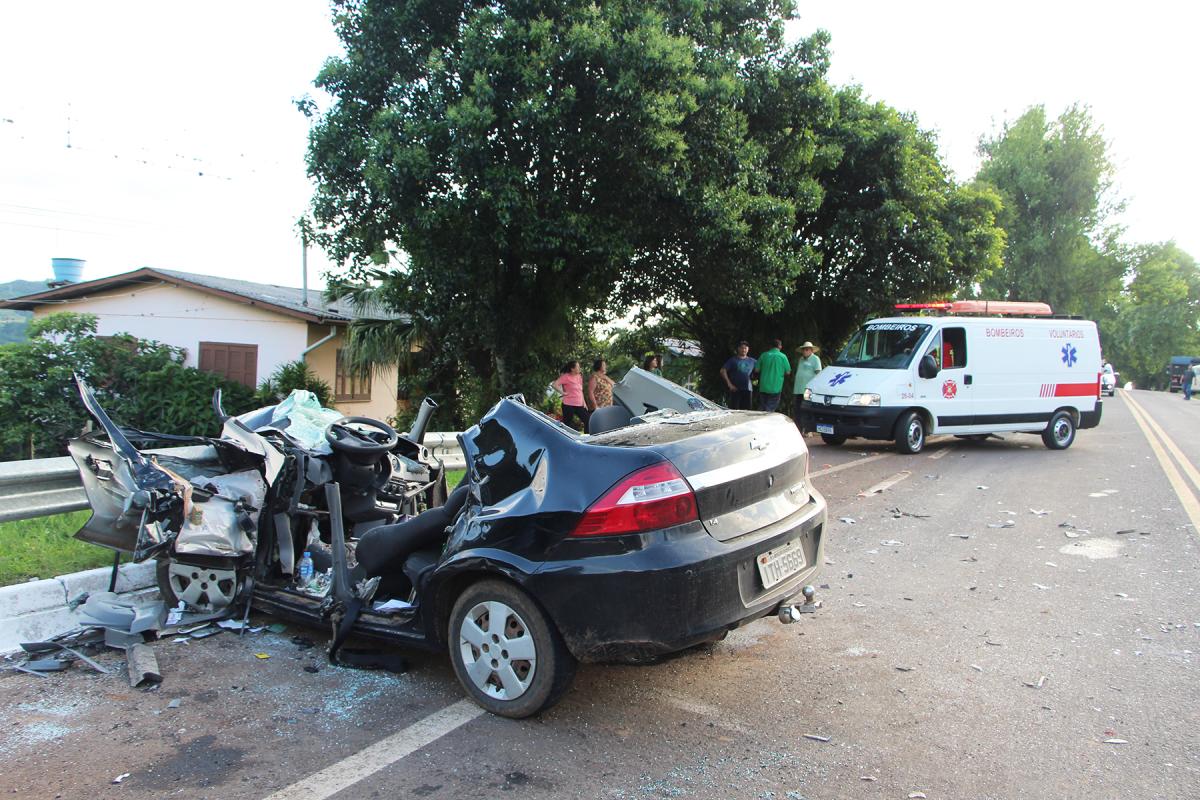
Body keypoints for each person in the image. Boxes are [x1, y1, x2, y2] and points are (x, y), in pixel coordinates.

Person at [791, 341, 822, 431]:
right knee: (797, 410)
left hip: (808, 390)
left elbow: (818, 373)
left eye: (807, 349)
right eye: (803, 349)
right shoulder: (801, 359)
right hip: (798, 389)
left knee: (806, 409)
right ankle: (799, 429)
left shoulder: (815, 359)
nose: (804, 351)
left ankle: (808, 430)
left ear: (811, 350)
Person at [754, 339, 791, 412]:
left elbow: (756, 370)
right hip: (776, 387)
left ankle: (758, 421)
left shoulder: (764, 355)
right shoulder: (783, 356)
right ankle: (765, 422)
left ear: (770, 346)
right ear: (780, 346)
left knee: (762, 407)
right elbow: (788, 372)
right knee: (769, 409)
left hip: (763, 386)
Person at [552, 360, 590, 431]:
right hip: (568, 405)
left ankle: (586, 439)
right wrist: (563, 392)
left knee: (588, 420)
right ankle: (563, 438)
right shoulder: (566, 377)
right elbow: (554, 385)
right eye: (578, 367)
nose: (579, 368)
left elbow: (580, 390)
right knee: (567, 425)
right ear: (572, 369)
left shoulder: (579, 376)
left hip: (579, 404)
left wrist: (584, 402)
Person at [721, 341, 757, 410]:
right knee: (735, 411)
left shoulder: (753, 361)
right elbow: (723, 370)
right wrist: (729, 384)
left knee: (747, 411)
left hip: (748, 389)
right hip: (735, 389)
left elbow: (761, 368)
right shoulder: (733, 360)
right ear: (738, 349)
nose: (743, 350)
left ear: (748, 349)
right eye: (742, 348)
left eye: (745, 348)